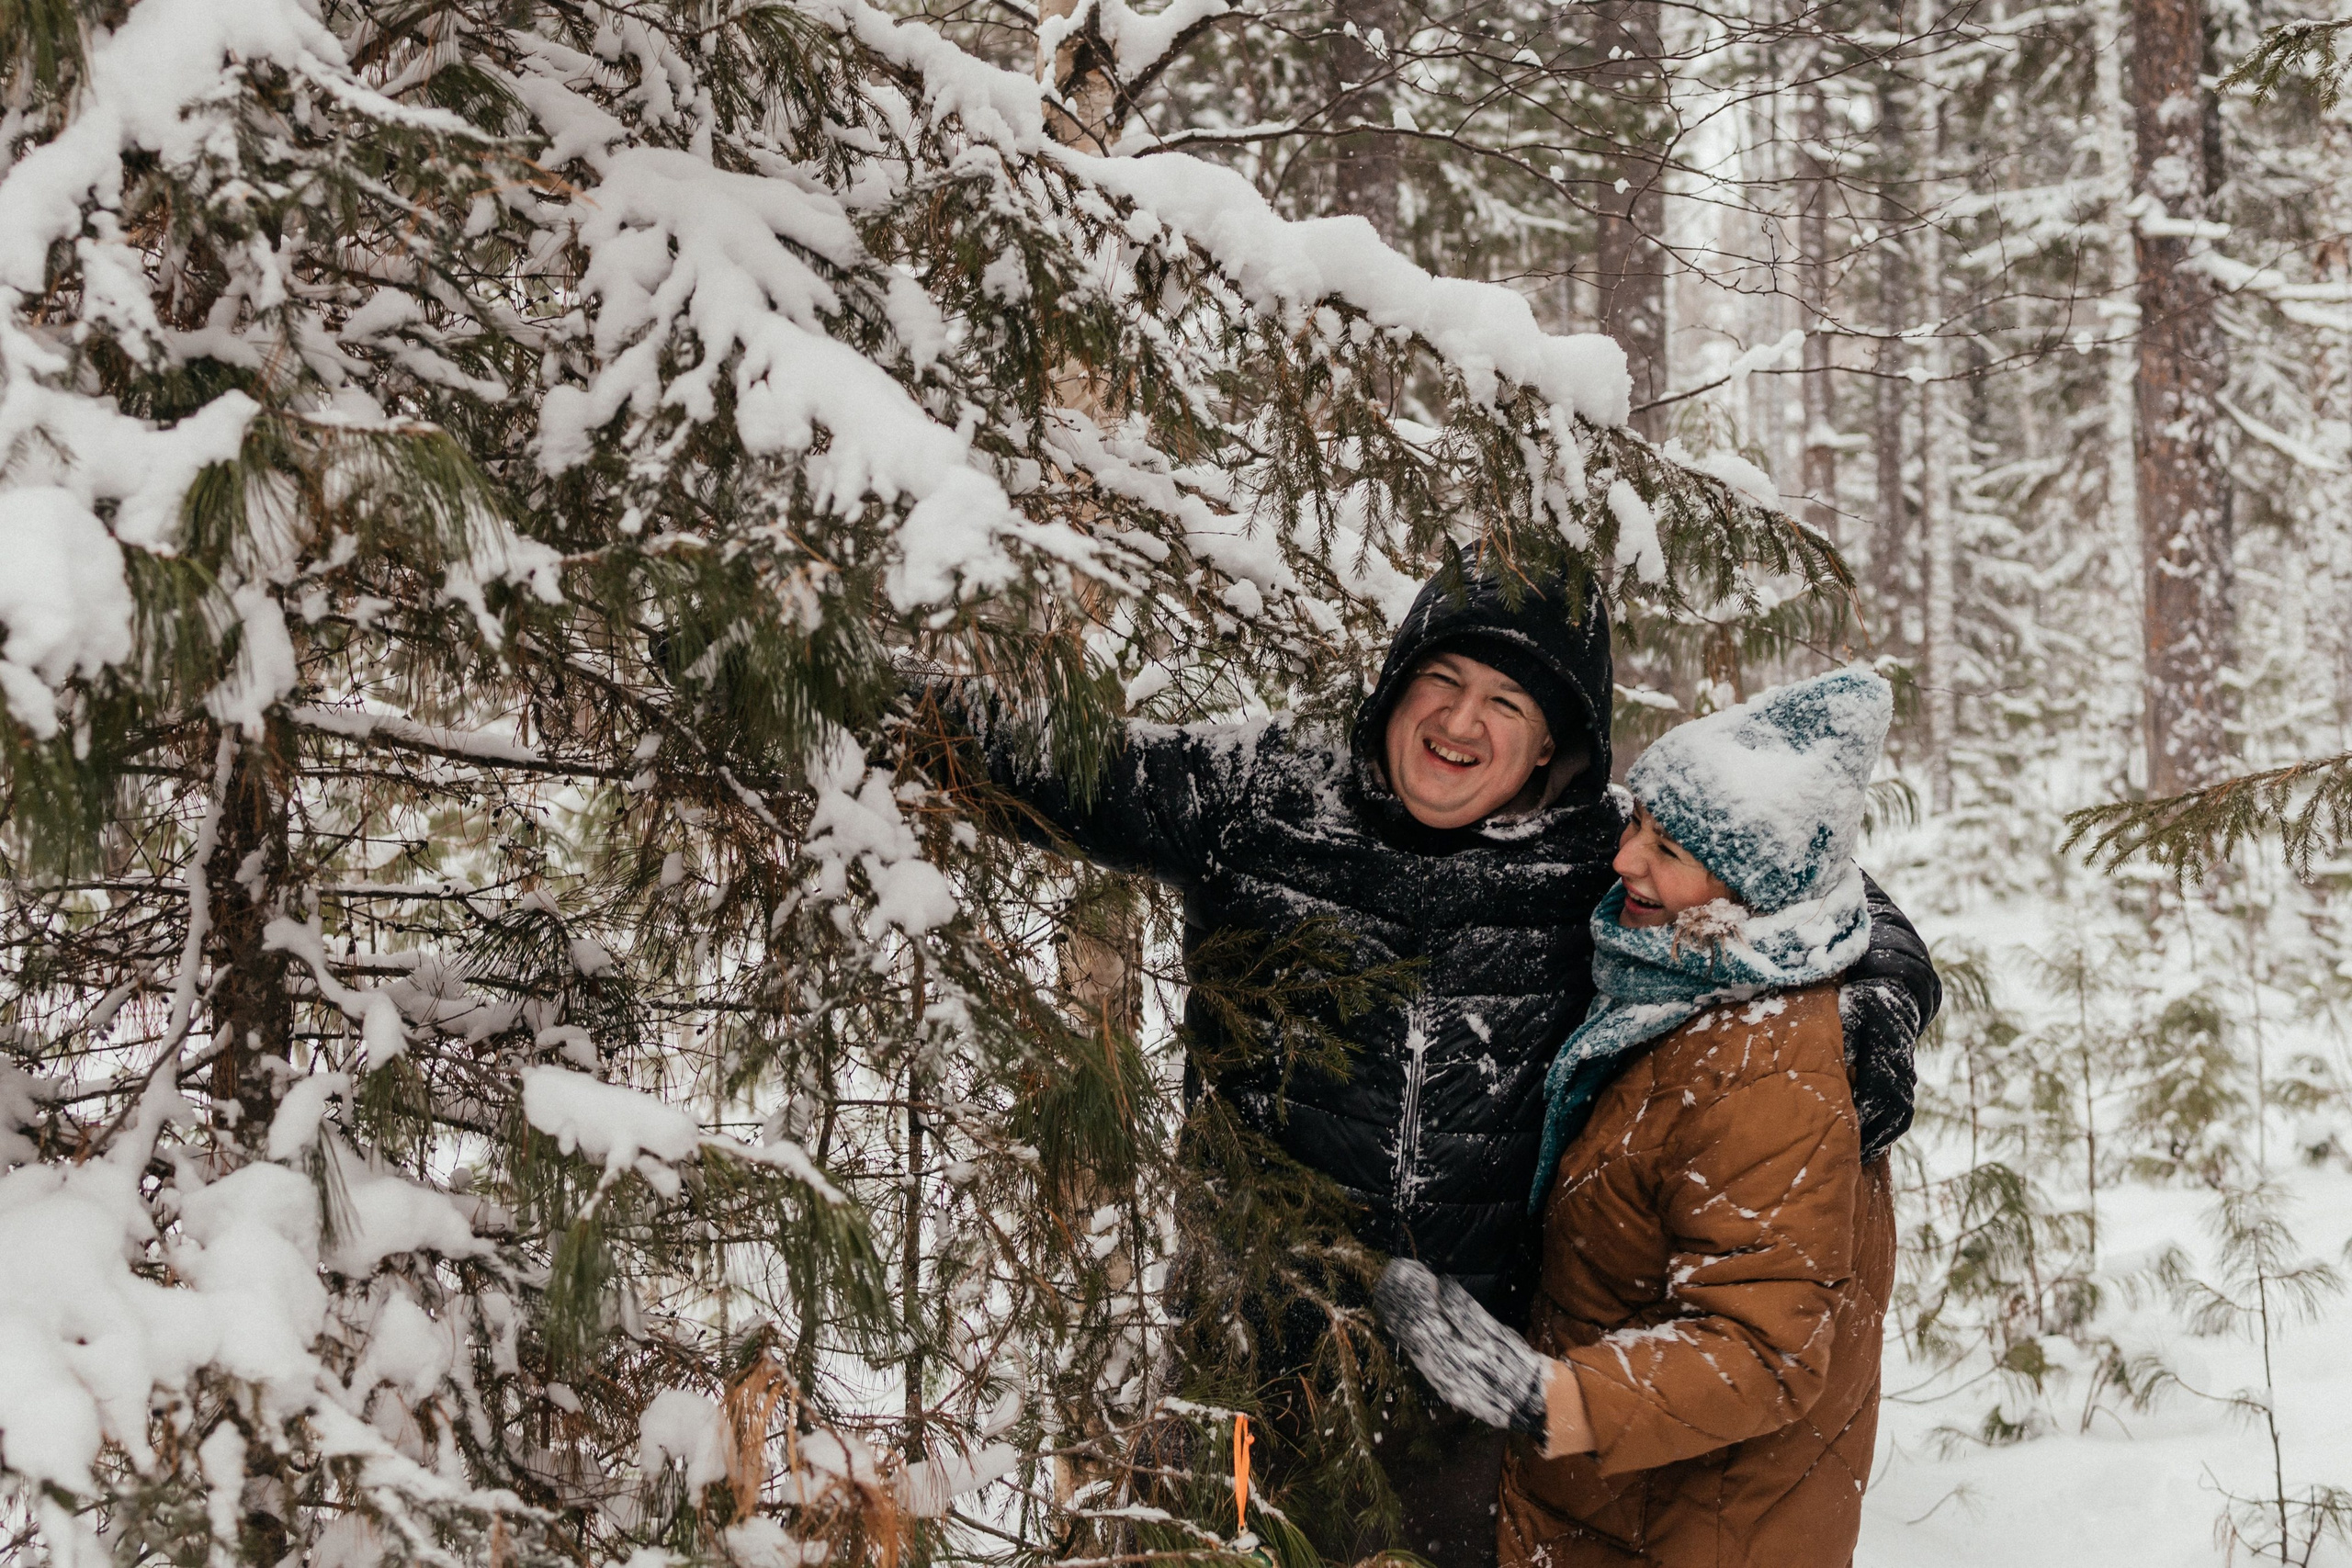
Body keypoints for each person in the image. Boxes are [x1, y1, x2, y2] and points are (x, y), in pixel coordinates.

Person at [915, 568, 1938, 1563]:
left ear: (1552, 747)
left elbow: (1832, 904)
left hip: (1465, 1389)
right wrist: (844, 688)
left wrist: (1876, 1013)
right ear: (1394, 688)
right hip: (1248, 1360)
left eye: (1506, 703)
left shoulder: (1602, 852)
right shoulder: (1263, 800)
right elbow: (1058, 760)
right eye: (1439, 681)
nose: (1459, 721)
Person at [1376, 668, 1905, 1568]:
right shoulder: (1679, 990)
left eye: (1667, 851)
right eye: (1638, 828)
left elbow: (1766, 1351)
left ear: (1748, 891)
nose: (1624, 862)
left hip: (1692, 1529)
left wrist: (1550, 1397)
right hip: (1626, 1500)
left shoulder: (1762, 1067)